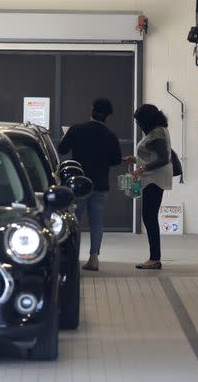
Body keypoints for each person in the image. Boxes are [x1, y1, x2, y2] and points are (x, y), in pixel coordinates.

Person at [58, 98, 122, 271]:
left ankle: (70, 258)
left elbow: (61, 150)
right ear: (108, 116)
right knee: (97, 222)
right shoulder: (110, 135)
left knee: (73, 222)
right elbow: (116, 160)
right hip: (101, 185)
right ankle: (94, 257)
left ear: (92, 109)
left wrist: (68, 135)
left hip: (78, 185)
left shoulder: (77, 130)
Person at [124, 104, 172, 270]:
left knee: (149, 217)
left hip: (154, 179)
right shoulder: (157, 131)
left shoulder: (157, 132)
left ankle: (154, 258)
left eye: (139, 121)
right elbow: (151, 156)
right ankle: (154, 257)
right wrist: (136, 160)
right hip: (152, 178)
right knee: (149, 216)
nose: (138, 125)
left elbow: (163, 158)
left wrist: (143, 168)